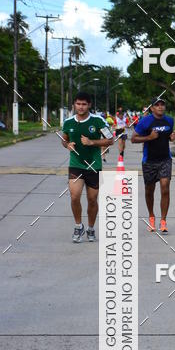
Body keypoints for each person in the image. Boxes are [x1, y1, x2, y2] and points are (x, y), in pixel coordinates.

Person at [60, 92, 114, 242]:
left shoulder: (98, 121)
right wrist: (67, 145)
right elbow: (64, 140)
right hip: (76, 165)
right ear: (74, 105)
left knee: (92, 199)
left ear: (89, 105)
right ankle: (78, 226)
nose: (81, 107)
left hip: (94, 165)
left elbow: (111, 140)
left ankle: (90, 228)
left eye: (84, 104)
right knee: (75, 196)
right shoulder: (68, 122)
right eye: (78, 104)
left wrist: (92, 143)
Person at [131, 97, 175, 233]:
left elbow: (168, 135)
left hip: (165, 159)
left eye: (162, 104)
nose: (160, 107)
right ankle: (151, 216)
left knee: (165, 187)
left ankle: (163, 221)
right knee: (149, 190)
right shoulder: (145, 121)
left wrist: (172, 137)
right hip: (149, 160)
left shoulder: (169, 120)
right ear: (152, 108)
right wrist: (148, 138)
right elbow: (133, 139)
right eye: (157, 105)